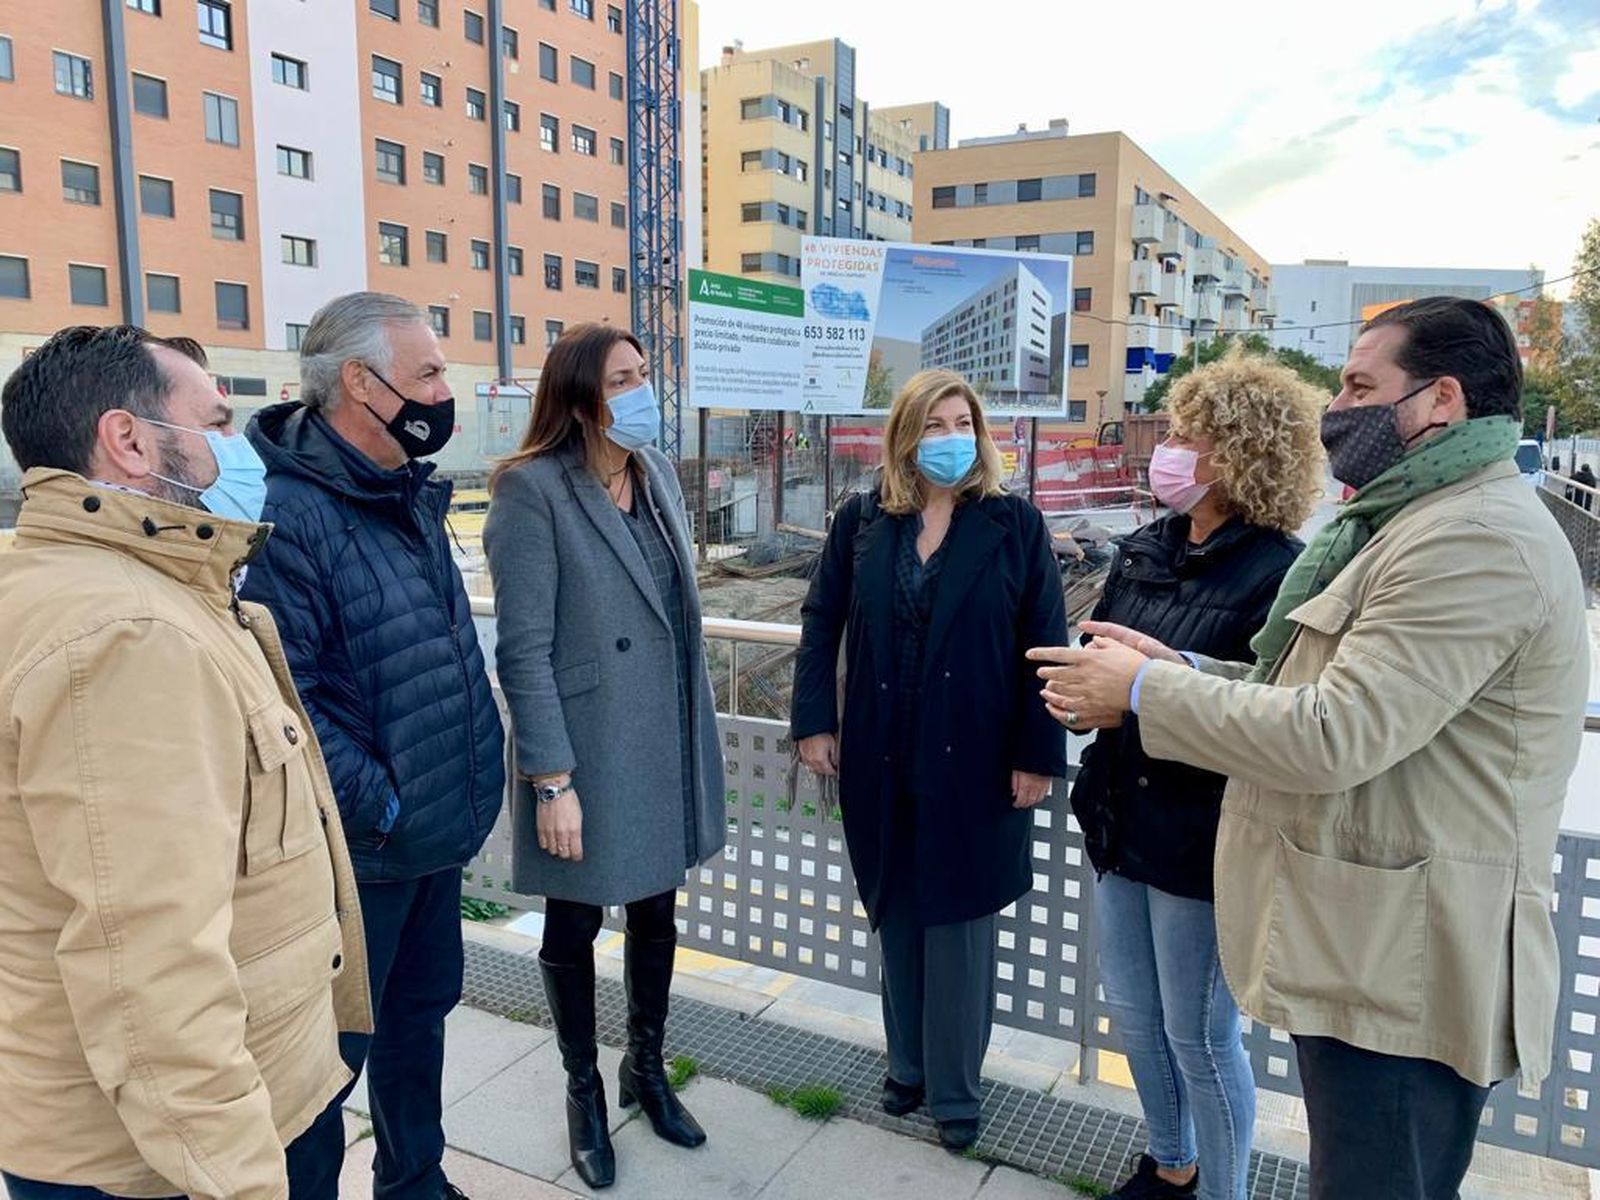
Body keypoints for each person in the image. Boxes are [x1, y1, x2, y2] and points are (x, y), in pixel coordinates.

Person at [1030, 297, 1591, 1199]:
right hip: (1371, 946)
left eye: (1362, 385)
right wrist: (1180, 665)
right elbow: (1316, 691)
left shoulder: (1471, 538)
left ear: (1441, 399)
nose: (1339, 407)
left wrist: (1141, 691)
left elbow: (1336, 733)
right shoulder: (1407, 523)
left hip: (1410, 968)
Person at [0, 325, 371, 1200]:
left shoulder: (113, 586)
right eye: (218, 422)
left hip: (165, 1125)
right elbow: (151, 965)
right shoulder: (129, 633)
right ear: (128, 440)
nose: (243, 449)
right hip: (162, 1161)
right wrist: (242, 1182)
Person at [240, 293, 505, 1200]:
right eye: (428, 372)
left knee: (418, 1022)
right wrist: (382, 802)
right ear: (360, 381)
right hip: (363, 853)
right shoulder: (291, 515)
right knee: (328, 1065)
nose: (443, 390)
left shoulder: (405, 494)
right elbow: (287, 692)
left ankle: (415, 1183)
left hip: (430, 836)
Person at [791, 369, 1068, 1152]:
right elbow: (821, 620)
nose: (951, 437)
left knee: (960, 931)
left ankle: (956, 1092)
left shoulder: (1014, 525)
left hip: (977, 761)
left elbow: (1047, 645)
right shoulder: (863, 522)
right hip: (882, 755)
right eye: (934, 423)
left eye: (962, 423)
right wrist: (814, 720)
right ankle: (906, 1067)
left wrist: (1036, 753)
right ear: (905, 437)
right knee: (899, 913)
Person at [1076, 353, 1324, 1200]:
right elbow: (1107, 653)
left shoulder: (1282, 569)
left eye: (1189, 435)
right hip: (1118, 813)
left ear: (1244, 453)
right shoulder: (1146, 548)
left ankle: (1224, 1191)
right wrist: (1081, 692)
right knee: (1138, 1018)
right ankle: (1168, 1162)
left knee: (1202, 1036)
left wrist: (1139, 698)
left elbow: (1268, 708)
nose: (1168, 448)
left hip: (1205, 836)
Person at [483, 325, 725, 1190]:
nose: (641, 389)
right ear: (583, 397)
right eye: (623, 378)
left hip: (660, 729)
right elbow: (525, 649)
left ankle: (645, 1070)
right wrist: (552, 780)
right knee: (574, 921)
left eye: (645, 371)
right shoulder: (531, 491)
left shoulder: (654, 475)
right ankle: (584, 1091)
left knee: (658, 912)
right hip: (584, 749)